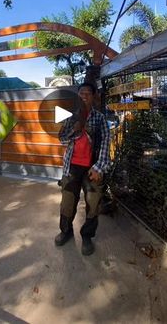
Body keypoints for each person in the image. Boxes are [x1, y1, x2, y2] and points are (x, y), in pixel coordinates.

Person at [55, 82, 110, 255]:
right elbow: (62, 139)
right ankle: (66, 231)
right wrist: (73, 129)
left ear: (93, 96)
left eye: (87, 93)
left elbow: (106, 144)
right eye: (81, 93)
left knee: (93, 203)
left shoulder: (99, 118)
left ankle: (86, 236)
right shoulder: (71, 117)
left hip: (92, 168)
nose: (84, 95)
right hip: (72, 167)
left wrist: (99, 168)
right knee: (67, 201)